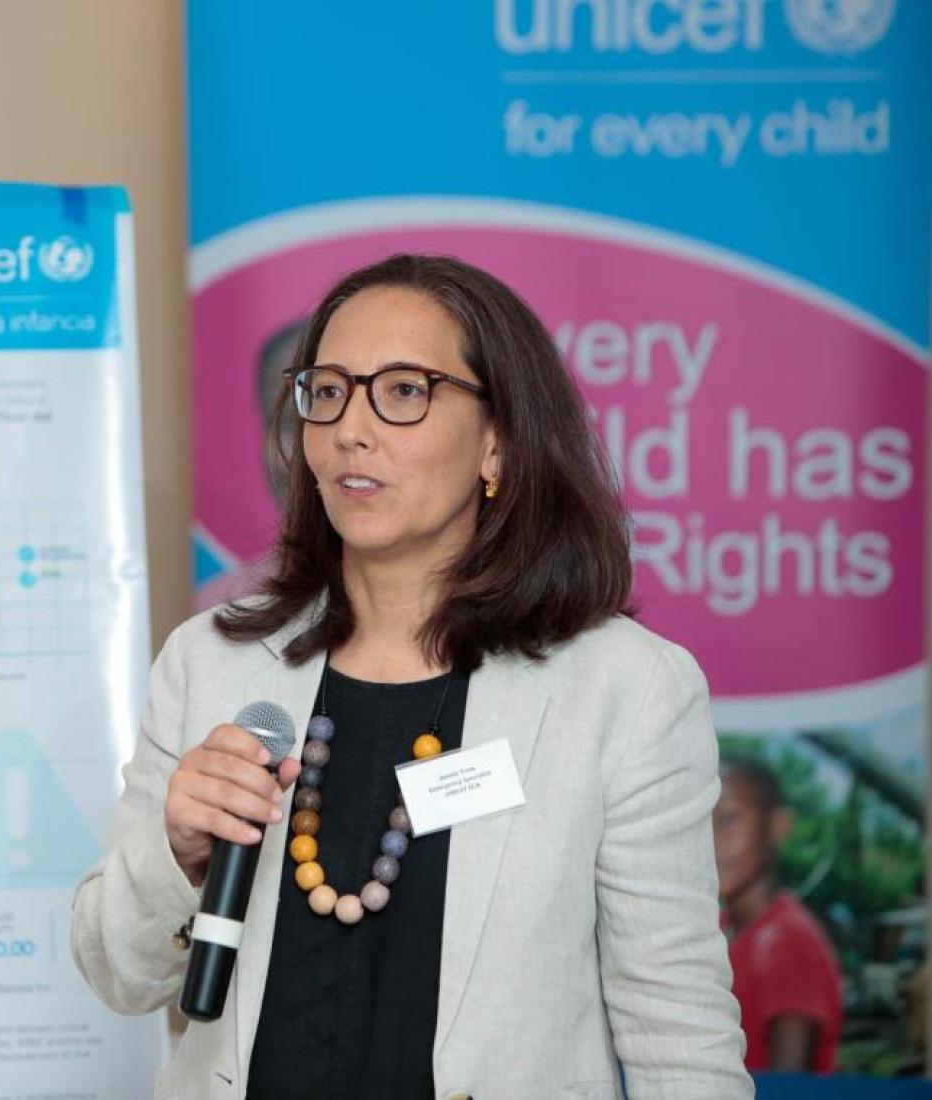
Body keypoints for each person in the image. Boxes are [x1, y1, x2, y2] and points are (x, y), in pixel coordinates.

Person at [71, 254, 751, 1098]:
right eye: (328, 392)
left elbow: (676, 1024)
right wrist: (176, 850)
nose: (353, 428)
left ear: (497, 442)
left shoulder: (621, 689)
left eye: (403, 391)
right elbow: (117, 975)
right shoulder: (212, 661)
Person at [714, 756, 844, 1072]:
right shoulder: (718, 930)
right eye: (698, 823)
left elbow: (790, 1086)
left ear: (777, 826)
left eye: (728, 820)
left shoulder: (788, 943)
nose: (711, 840)